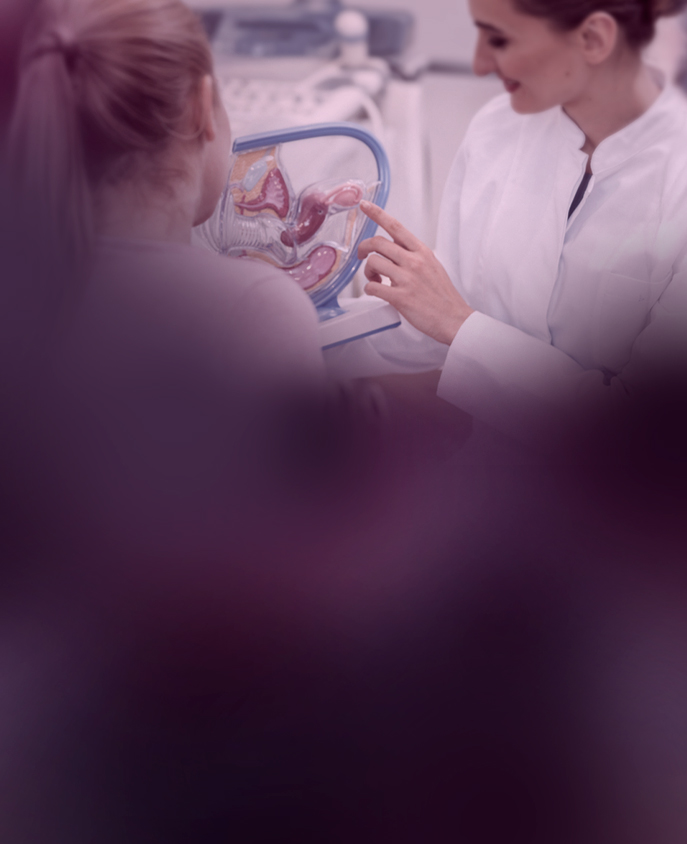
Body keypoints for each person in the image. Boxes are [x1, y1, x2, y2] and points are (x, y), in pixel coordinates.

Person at [325, 0, 687, 448]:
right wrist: (303, 321)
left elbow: (639, 433)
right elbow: (442, 313)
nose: (479, 64)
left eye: (499, 39)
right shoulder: (498, 127)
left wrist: (461, 325)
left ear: (593, 39)